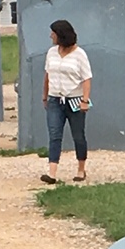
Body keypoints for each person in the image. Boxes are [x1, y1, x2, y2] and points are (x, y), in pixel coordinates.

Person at [42, 19, 93, 184]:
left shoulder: (80, 54)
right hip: (55, 99)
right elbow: (47, 74)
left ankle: (81, 169)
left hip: (75, 99)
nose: (51, 36)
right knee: (54, 134)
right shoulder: (51, 53)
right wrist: (45, 95)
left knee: (78, 135)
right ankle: (52, 173)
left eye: (53, 33)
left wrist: (84, 100)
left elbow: (86, 79)